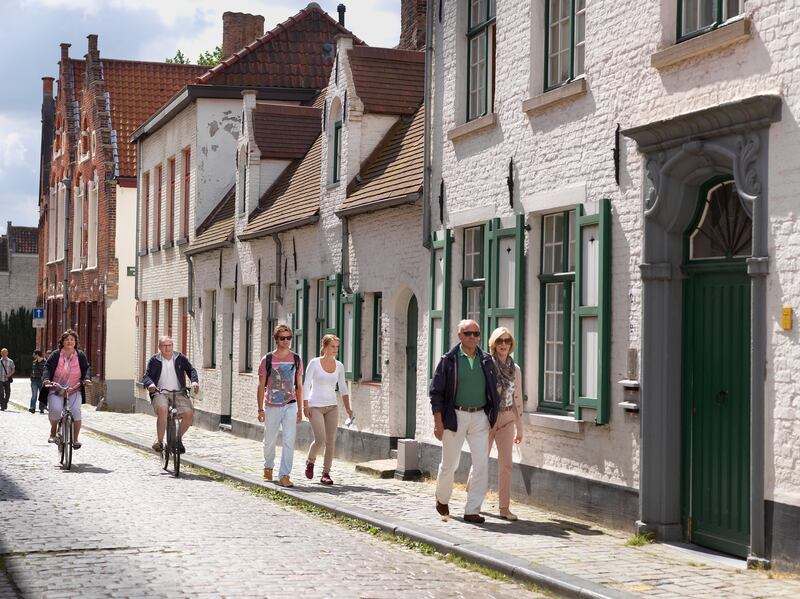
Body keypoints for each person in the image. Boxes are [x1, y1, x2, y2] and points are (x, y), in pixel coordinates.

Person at [430, 319, 500, 524]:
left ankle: (472, 510)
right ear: (459, 335)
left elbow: (494, 389)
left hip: (480, 417)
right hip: (455, 416)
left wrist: (492, 415)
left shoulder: (486, 359)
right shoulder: (448, 360)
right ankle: (442, 497)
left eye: (476, 334)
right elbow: (436, 393)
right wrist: (438, 421)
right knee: (450, 463)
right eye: (468, 333)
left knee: (481, 465)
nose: (473, 337)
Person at [302, 334, 353, 485]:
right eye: (332, 346)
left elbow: (343, 388)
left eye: (337, 347)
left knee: (331, 441)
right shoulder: (314, 363)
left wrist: (349, 409)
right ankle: (310, 461)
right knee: (320, 438)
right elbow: (306, 385)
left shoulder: (339, 366)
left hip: (332, 406)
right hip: (315, 405)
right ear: (324, 346)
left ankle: (326, 473)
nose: (335, 349)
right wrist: (305, 405)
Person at [257, 324, 303, 487]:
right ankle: (268, 467)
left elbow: (299, 385)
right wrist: (260, 409)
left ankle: (284, 475)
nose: (286, 341)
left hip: (290, 405)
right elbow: (261, 385)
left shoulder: (296, 359)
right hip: (272, 405)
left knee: (289, 440)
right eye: (282, 338)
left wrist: (300, 411)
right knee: (269, 440)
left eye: (289, 338)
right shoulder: (267, 359)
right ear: (276, 340)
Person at [485, 327, 524, 521]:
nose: (503, 344)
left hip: (508, 418)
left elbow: (518, 400)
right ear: (493, 343)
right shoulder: (486, 365)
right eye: (499, 341)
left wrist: (520, 428)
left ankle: (504, 508)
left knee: (506, 464)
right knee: (481, 459)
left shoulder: (515, 369)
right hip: (487, 419)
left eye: (507, 341)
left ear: (511, 344)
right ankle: (473, 495)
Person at [143, 336, 199, 454]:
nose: (167, 348)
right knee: (163, 409)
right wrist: (151, 385)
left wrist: (194, 381)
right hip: (160, 393)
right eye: (164, 345)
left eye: (170, 345)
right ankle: (159, 441)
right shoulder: (154, 360)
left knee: (189, 413)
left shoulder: (180, 358)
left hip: (179, 392)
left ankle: (176, 440)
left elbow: (191, 370)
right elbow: (147, 376)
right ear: (159, 347)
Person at [42, 330, 91, 448]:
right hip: (57, 388)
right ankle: (53, 431)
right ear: (62, 342)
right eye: (67, 339)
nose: (70, 341)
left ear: (75, 342)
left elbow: (87, 368)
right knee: (55, 409)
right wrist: (46, 379)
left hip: (74, 388)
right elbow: (47, 367)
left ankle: (75, 440)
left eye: (72, 339)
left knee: (76, 411)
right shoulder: (56, 354)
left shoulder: (80, 355)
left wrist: (87, 378)